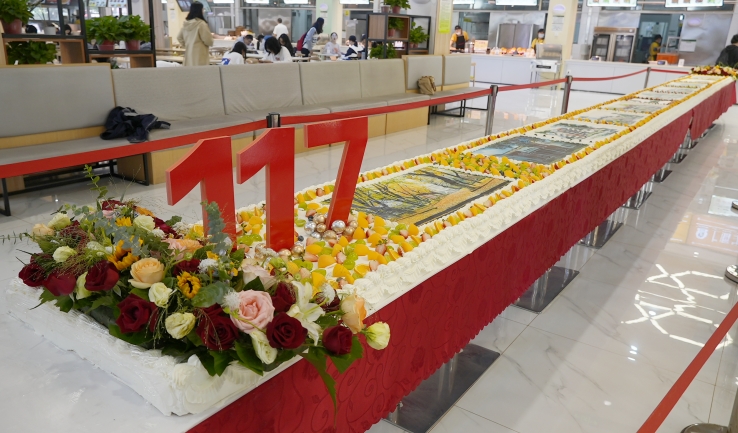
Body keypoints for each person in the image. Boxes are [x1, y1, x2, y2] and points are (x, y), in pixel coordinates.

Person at [176, 1, 213, 66]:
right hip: (200, 56)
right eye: (203, 9)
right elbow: (208, 41)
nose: (203, 11)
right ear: (200, 10)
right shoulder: (201, 24)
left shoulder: (186, 24)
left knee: (190, 71)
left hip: (189, 55)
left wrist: (187, 45)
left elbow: (179, 37)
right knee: (200, 72)